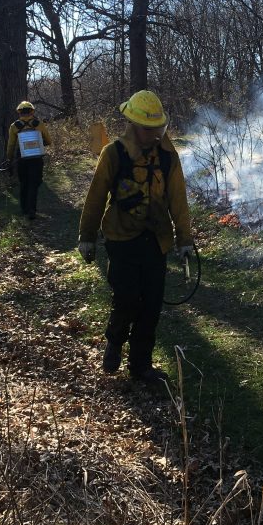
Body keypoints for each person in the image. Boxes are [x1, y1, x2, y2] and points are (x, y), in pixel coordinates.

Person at [77, 90, 193, 384]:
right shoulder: (113, 153)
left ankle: (141, 365)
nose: (154, 135)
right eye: (148, 129)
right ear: (132, 124)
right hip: (121, 238)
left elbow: (178, 200)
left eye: (158, 129)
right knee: (127, 298)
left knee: (151, 303)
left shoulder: (168, 158)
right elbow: (95, 196)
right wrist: (87, 236)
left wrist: (184, 239)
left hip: (156, 240)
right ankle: (115, 341)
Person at [6, 100, 52, 221]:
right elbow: (48, 141)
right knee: (34, 182)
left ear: (19, 112)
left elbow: (11, 145)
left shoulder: (14, 126)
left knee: (24, 182)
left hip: (21, 158)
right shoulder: (39, 124)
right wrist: (38, 143)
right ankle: (32, 209)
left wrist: (9, 158)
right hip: (36, 158)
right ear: (32, 111)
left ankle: (24, 209)